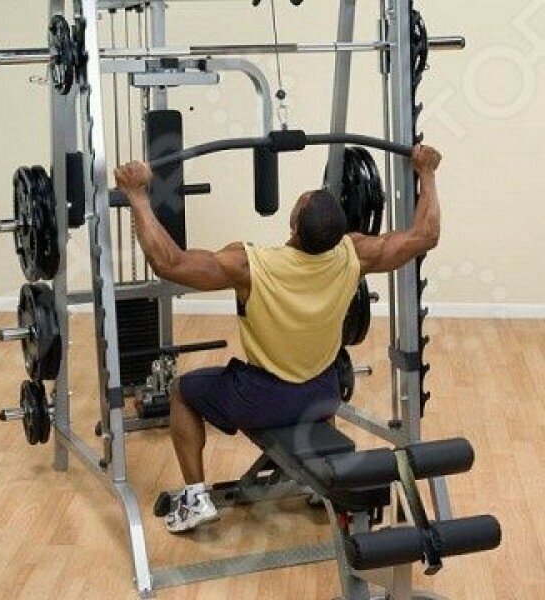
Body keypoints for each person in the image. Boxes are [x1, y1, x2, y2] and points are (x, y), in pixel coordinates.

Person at [115, 144, 442, 533]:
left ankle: (195, 499)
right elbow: (425, 235)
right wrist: (427, 173)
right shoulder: (354, 254)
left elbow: (169, 263)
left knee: (182, 392)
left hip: (260, 400)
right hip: (324, 394)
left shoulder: (251, 266)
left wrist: (137, 195)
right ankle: (317, 482)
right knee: (319, 371)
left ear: (293, 222)